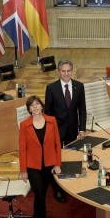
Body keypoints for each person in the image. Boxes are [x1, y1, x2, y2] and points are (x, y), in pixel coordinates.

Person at [19, 96, 62, 218]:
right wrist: (23, 170)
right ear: (29, 110)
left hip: (49, 164)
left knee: (41, 194)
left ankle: (36, 216)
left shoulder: (51, 121)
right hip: (33, 166)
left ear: (42, 106)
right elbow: (22, 149)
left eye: (37, 104)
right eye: (32, 106)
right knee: (39, 192)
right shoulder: (24, 125)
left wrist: (57, 164)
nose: (35, 107)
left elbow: (57, 144)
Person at [44, 60, 86, 202]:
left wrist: (82, 129)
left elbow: (82, 110)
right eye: (63, 71)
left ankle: (70, 184)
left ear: (72, 71)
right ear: (58, 72)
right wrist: (49, 133)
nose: (66, 74)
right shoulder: (51, 88)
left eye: (68, 71)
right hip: (56, 131)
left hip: (73, 130)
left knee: (70, 157)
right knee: (54, 159)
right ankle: (57, 189)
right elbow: (48, 114)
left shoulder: (79, 86)